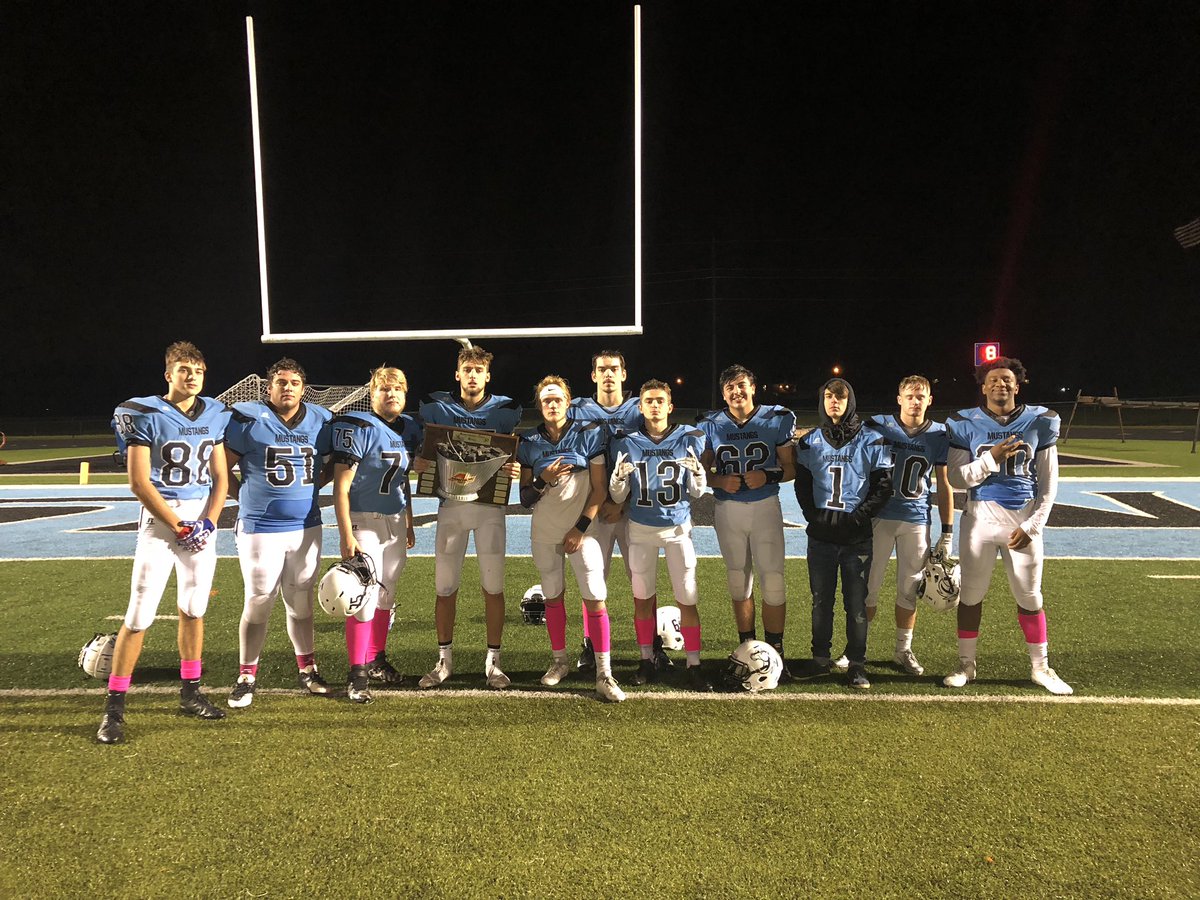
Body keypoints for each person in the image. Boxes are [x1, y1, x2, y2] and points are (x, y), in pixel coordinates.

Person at [97, 341, 231, 744]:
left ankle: (191, 692)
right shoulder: (143, 412)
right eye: (184, 369)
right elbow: (139, 483)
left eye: (199, 371)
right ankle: (114, 708)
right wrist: (179, 525)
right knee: (139, 614)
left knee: (194, 607)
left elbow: (221, 478)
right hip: (161, 521)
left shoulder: (215, 413)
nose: (192, 376)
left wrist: (209, 521)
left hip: (200, 522)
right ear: (168, 374)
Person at [942, 357, 1072, 695]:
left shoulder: (1040, 421)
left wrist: (1033, 526)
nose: (1001, 384)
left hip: (1022, 520)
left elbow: (1048, 483)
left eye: (1007, 379)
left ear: (1018, 384)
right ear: (983, 386)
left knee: (1029, 596)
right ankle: (966, 664)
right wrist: (991, 459)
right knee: (971, 595)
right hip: (979, 520)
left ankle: (1040, 667)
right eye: (994, 379)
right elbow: (956, 478)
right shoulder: (964, 423)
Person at [223, 358, 334, 709]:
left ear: (304, 388)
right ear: (269, 387)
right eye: (281, 382)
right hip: (261, 528)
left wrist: (314, 487)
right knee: (259, 600)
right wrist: (244, 497)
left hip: (306, 526)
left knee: (301, 601)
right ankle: (246, 675)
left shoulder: (321, 420)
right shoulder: (248, 418)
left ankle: (308, 669)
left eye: (294, 382)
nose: (288, 388)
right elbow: (220, 468)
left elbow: (335, 463)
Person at [415, 345, 522, 689]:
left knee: (493, 587)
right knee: (445, 587)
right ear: (457, 374)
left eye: (478, 370)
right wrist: (420, 461)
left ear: (488, 376)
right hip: (451, 508)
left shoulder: (505, 410)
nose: (473, 375)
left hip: (489, 510)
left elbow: (511, 451)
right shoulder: (438, 407)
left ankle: (494, 662)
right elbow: (424, 447)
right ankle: (444, 660)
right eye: (467, 369)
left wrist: (516, 468)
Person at [518, 376, 625, 702]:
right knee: (553, 596)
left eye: (557, 399)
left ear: (568, 401)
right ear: (539, 405)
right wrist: (542, 479)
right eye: (546, 400)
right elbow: (525, 498)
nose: (552, 404)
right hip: (545, 530)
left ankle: (604, 672)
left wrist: (579, 528)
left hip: (583, 530)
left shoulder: (588, 432)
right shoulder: (529, 441)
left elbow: (599, 490)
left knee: (595, 595)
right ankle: (560, 661)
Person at [609, 379, 712, 692]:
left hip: (677, 529)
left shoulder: (689, 437)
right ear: (640, 407)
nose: (654, 406)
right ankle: (646, 660)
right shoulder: (626, 442)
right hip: (640, 530)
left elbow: (697, 493)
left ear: (670, 406)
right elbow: (617, 497)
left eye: (660, 401)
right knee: (642, 599)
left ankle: (694, 664)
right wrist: (618, 479)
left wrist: (698, 474)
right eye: (649, 401)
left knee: (688, 598)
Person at [793, 377, 893, 689]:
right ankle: (820, 659)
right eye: (828, 397)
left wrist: (858, 517)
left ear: (850, 401)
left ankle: (857, 664)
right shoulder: (810, 441)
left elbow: (883, 487)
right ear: (822, 402)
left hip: (855, 537)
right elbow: (802, 485)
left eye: (840, 396)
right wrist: (814, 516)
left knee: (856, 605)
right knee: (821, 601)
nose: (834, 402)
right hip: (821, 536)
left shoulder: (872, 439)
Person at [329, 366, 421, 704]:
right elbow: (341, 487)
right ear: (372, 394)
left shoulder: (409, 428)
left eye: (398, 388)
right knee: (363, 597)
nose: (392, 394)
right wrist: (345, 535)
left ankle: (376, 658)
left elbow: (402, 482)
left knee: (387, 594)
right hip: (364, 521)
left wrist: (409, 522)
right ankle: (357, 673)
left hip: (395, 521)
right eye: (384, 388)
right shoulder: (359, 426)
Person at [696, 365, 796, 668]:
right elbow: (700, 473)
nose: (736, 391)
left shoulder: (776, 418)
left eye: (741, 385)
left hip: (765, 506)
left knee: (773, 579)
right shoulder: (711, 424)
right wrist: (718, 480)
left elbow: (790, 468)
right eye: (730, 387)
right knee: (738, 580)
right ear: (723, 394)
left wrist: (767, 475)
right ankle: (747, 650)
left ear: (753, 387)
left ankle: (776, 652)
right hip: (728, 509)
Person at [856, 375, 955, 677]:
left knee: (909, 589)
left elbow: (944, 484)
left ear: (929, 400)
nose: (915, 401)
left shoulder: (939, 434)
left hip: (916, 519)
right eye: (910, 396)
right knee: (868, 588)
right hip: (880, 517)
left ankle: (903, 650)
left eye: (920, 396)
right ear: (899, 399)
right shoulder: (879, 425)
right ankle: (857, 650)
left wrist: (947, 531)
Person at [567, 350, 646, 671]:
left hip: (634, 508)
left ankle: (650, 645)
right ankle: (591, 644)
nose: (609, 374)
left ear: (624, 374)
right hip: (593, 508)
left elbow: (650, 454)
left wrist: (623, 501)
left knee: (641, 579)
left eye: (614, 368)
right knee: (593, 579)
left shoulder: (640, 408)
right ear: (593, 375)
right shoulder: (577, 409)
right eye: (602, 369)